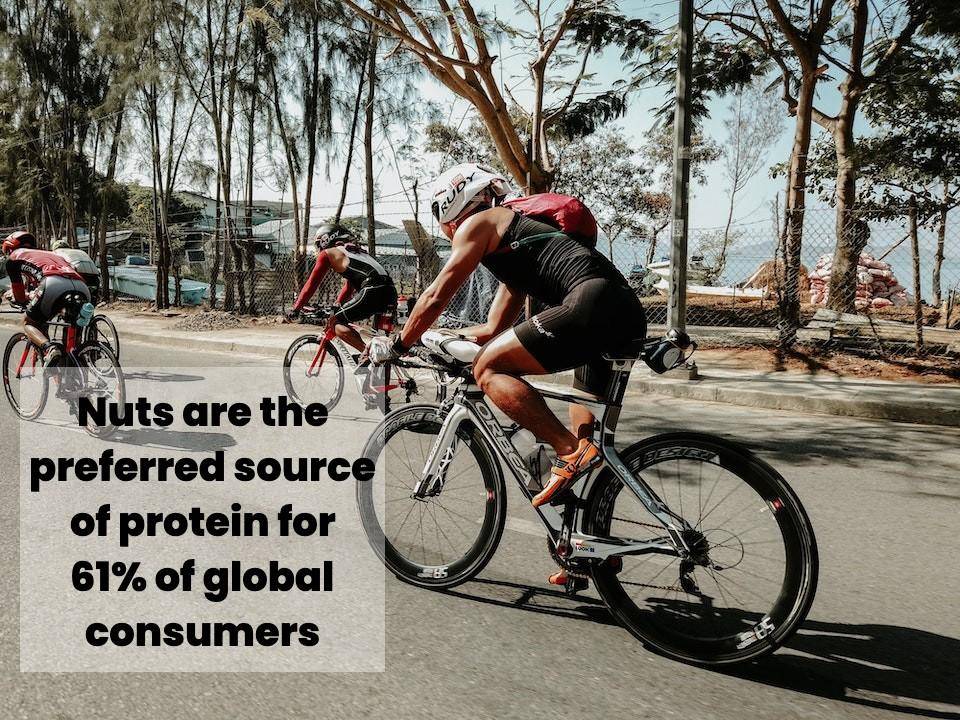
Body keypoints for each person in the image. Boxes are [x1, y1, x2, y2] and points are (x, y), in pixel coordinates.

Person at [366, 163, 646, 588]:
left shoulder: (481, 222)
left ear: (453, 205)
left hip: (590, 305)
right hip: (619, 313)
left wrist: (400, 345)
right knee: (588, 454)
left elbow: (437, 293)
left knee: (491, 368)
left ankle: (569, 451)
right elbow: (495, 328)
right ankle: (589, 553)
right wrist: (443, 339)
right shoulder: (515, 245)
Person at [286, 223, 398, 354]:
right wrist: (338, 304)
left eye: (318, 244)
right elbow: (350, 286)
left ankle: (367, 354)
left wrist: (296, 308)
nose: (318, 249)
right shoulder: (356, 251)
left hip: (372, 290)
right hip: (390, 291)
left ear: (325, 240)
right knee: (382, 344)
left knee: (335, 322)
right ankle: (381, 367)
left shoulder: (328, 253)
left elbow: (312, 284)